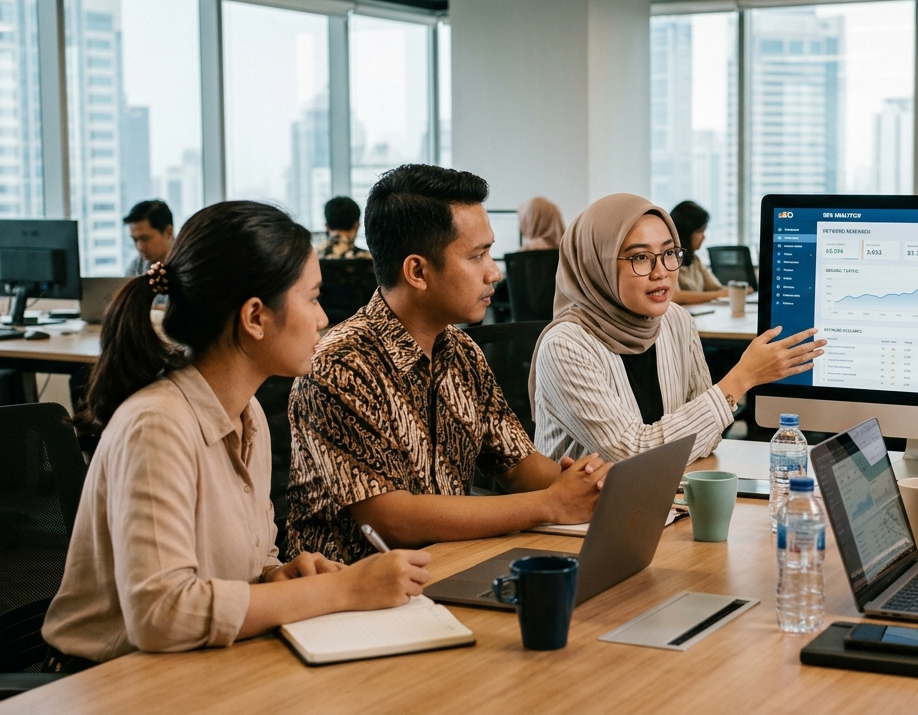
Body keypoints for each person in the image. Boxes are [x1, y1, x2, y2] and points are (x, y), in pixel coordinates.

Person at [42, 201, 430, 671]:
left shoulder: (248, 415)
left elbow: (247, 558)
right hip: (110, 682)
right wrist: (342, 589)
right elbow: (161, 614)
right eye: (311, 298)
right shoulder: (157, 425)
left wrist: (276, 575)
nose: (323, 318)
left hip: (198, 668)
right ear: (254, 317)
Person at [287, 165, 610, 565]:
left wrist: (594, 486)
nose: (493, 272)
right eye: (477, 256)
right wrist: (552, 505)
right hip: (354, 595)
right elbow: (394, 521)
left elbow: (518, 467)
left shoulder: (461, 351)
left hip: (451, 565)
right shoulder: (341, 364)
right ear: (417, 271)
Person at [532, 193, 825, 464]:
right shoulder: (566, 345)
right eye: (640, 257)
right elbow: (631, 456)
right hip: (582, 517)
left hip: (664, 497)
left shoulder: (676, 320)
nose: (661, 272)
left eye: (669, 253)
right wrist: (741, 378)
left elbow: (710, 436)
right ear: (597, 265)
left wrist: (695, 430)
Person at [668, 200, 728, 305]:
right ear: (685, 232)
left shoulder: (694, 259)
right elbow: (675, 296)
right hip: (680, 318)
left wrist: (735, 291)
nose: (704, 237)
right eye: (700, 231)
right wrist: (720, 294)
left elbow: (716, 288)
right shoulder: (668, 259)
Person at [123, 199, 176, 276]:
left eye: (145, 239)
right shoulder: (137, 266)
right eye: (135, 240)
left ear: (168, 232)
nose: (140, 248)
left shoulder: (189, 262)